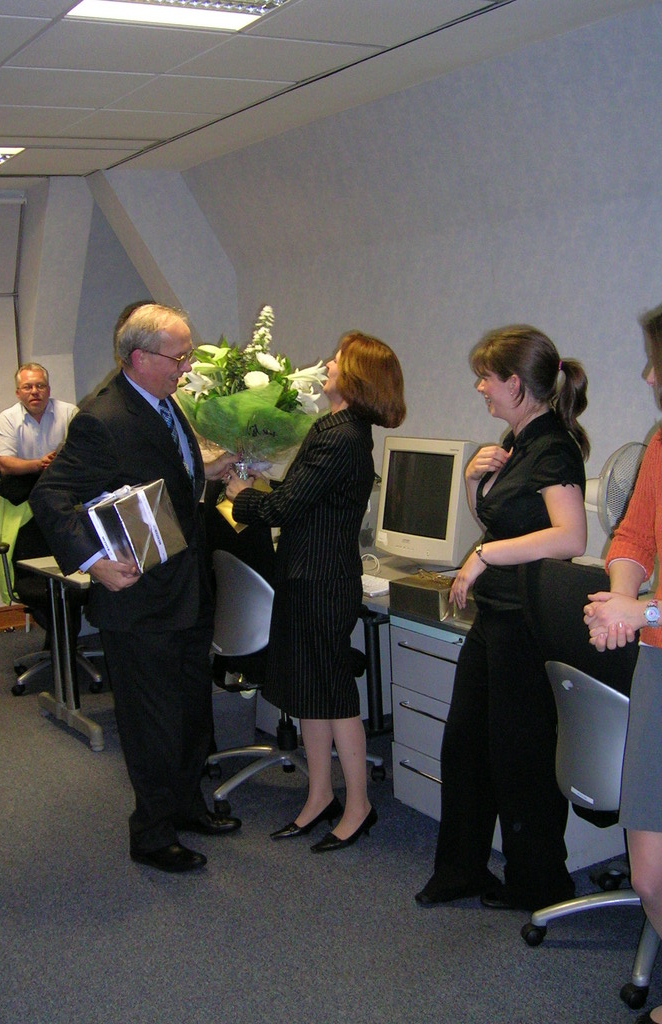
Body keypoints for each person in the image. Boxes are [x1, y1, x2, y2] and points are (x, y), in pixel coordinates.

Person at [29, 303, 239, 874]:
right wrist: (94, 562)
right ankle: (151, 834)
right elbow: (50, 496)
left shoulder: (164, 402)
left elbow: (163, 474)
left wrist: (206, 472)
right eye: (180, 357)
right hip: (141, 601)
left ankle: (188, 805)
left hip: (187, 589)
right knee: (152, 723)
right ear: (141, 357)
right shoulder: (103, 419)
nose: (187, 366)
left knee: (192, 710)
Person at [416, 324, 590, 911]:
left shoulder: (554, 447)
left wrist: (484, 556)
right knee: (465, 747)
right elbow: (498, 521)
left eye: (486, 378)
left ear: (515, 383)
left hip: (528, 621)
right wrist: (474, 482)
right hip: (496, 616)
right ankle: (461, 870)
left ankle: (539, 881)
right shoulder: (516, 443)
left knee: (521, 758)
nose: (480, 387)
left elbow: (570, 537)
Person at [225, 331, 406, 851]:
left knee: (334, 695)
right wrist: (260, 486)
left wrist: (241, 495)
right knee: (312, 693)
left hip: (320, 582)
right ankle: (320, 795)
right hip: (311, 577)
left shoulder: (338, 435)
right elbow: (302, 497)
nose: (327, 364)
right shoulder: (340, 430)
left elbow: (283, 509)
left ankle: (359, 805)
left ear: (356, 378)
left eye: (338, 360)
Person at [584, 302, 662, 1024]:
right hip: (659, 668)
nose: (648, 375)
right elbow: (634, 535)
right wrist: (619, 597)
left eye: (656, 361)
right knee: (650, 872)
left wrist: (645, 613)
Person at [0, 363, 78, 477]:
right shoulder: (8, 418)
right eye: (27, 387)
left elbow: (83, 453)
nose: (34, 392)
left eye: (40, 386)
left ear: (48, 390)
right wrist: (40, 464)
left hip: (63, 480)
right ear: (18, 393)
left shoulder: (69, 413)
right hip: (22, 483)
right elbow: (5, 463)